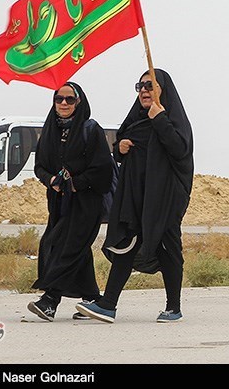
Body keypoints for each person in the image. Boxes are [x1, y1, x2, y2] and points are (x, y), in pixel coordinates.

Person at [75, 69, 194, 323]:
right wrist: (120, 147)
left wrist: (160, 119)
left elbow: (180, 150)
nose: (143, 90)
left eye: (150, 85)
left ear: (164, 90)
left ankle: (174, 307)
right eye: (140, 86)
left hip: (164, 197)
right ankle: (108, 304)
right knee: (125, 243)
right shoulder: (136, 119)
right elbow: (121, 144)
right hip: (135, 195)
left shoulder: (172, 119)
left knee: (167, 247)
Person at [28, 82, 114, 322]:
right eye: (59, 99)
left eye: (69, 99)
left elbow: (102, 169)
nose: (63, 104)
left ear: (79, 102)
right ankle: (92, 298)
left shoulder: (90, 129)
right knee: (71, 247)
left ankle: (50, 301)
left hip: (86, 202)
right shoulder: (50, 130)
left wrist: (74, 183)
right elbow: (40, 166)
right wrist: (52, 180)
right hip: (58, 202)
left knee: (65, 247)